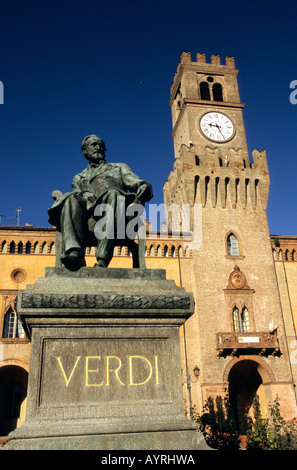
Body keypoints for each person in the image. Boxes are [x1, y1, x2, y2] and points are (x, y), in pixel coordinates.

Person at [48, 134, 153, 270]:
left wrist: (144, 186)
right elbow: (76, 196)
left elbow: (136, 182)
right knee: (70, 198)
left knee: (113, 193)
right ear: (85, 151)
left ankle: (103, 257)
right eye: (94, 145)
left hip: (119, 216)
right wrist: (85, 195)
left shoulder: (119, 168)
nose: (98, 147)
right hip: (90, 218)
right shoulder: (79, 177)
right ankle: (75, 253)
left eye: (101, 145)